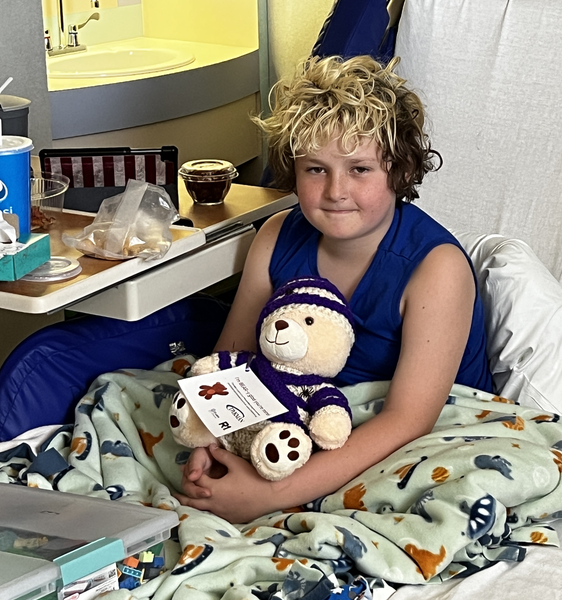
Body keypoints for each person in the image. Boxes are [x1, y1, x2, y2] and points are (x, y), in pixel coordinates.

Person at [175, 55, 493, 523]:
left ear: (400, 171)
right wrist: (211, 443)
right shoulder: (276, 235)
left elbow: (409, 421)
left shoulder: (436, 268)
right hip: (292, 419)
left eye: (360, 169)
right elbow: (231, 365)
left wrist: (268, 496)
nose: (335, 191)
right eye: (315, 169)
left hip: (403, 431)